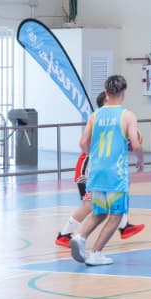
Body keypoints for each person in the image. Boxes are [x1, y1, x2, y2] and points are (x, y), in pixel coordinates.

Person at [69, 76, 146, 266]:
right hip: (115, 174)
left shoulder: (95, 115)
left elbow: (82, 142)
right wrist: (141, 160)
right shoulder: (127, 115)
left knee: (99, 212)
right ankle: (96, 253)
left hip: (96, 172)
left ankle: (79, 236)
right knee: (116, 214)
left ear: (106, 90)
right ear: (123, 92)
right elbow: (135, 144)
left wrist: (93, 157)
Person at [56, 90, 107, 248]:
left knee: (106, 203)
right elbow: (84, 143)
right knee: (89, 206)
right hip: (87, 169)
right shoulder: (99, 119)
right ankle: (64, 235)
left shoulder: (108, 119)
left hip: (95, 169)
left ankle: (125, 226)